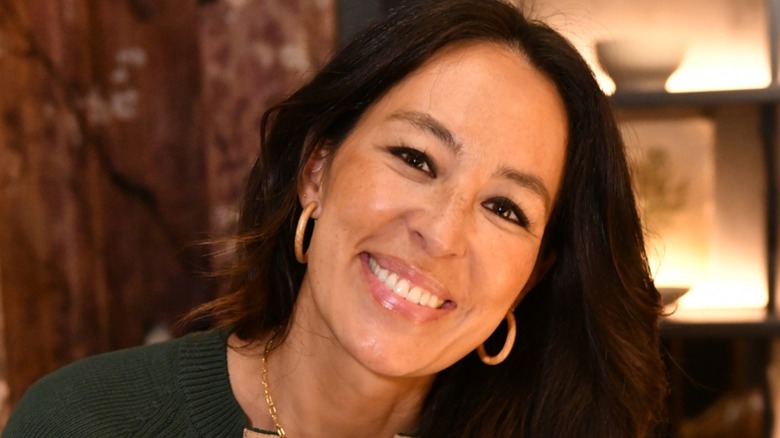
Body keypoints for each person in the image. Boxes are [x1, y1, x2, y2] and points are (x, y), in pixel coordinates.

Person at [4, 0, 667, 436]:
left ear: (531, 276)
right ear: (316, 170)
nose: (440, 232)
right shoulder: (88, 421)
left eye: (504, 208)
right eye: (416, 157)